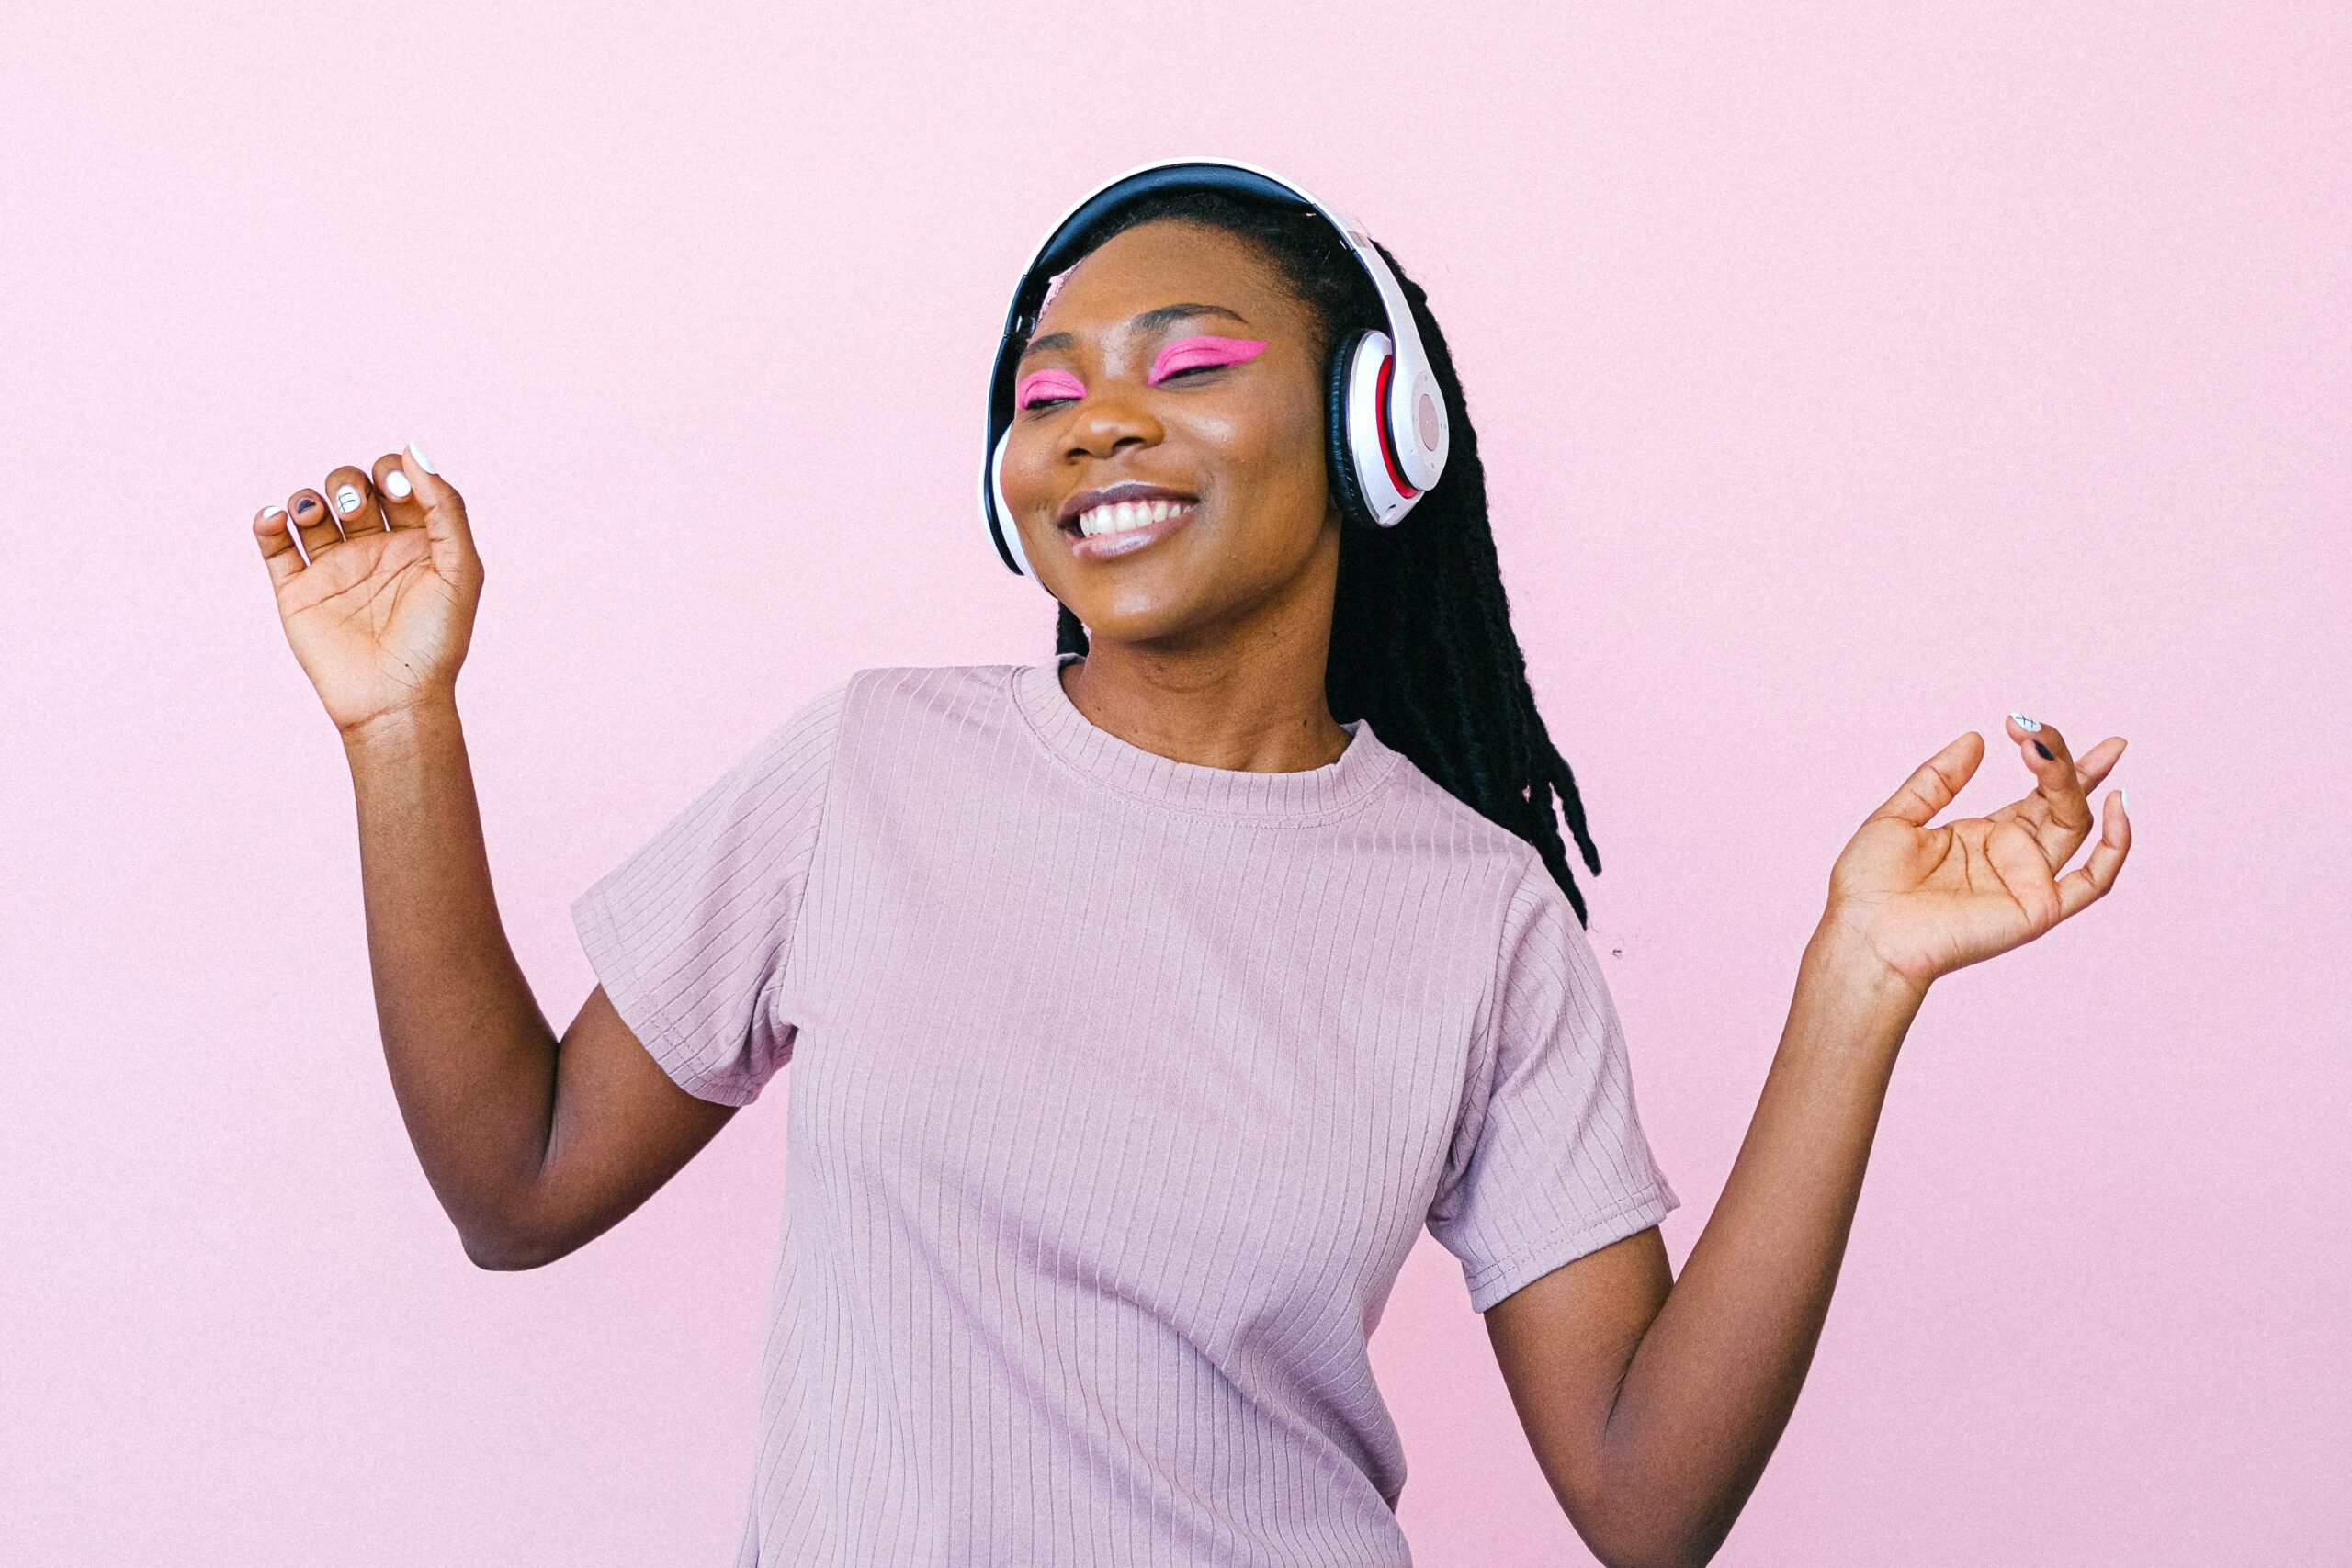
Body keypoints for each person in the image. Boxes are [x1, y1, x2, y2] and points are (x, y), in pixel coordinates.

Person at [248, 164, 2132, 1568]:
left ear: (1377, 432)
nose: (1097, 421)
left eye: (1194, 363)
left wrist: (1857, 981)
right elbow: (518, 1184)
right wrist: (400, 726)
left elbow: (1647, 1500)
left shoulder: (1476, 918)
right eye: (1045, 392)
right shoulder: (868, 768)